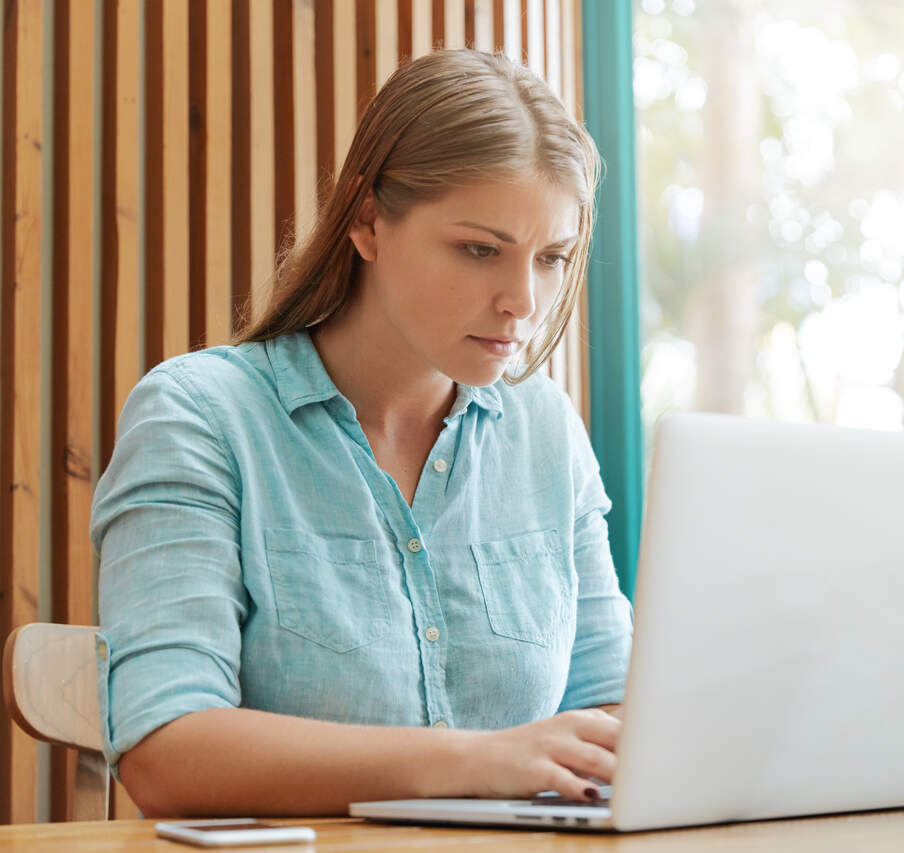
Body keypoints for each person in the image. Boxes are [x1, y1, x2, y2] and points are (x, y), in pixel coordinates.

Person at [90, 49, 632, 818]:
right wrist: (477, 761)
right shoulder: (201, 416)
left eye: (551, 259)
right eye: (480, 249)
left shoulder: (545, 430)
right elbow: (166, 750)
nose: (523, 301)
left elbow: (612, 708)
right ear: (368, 221)